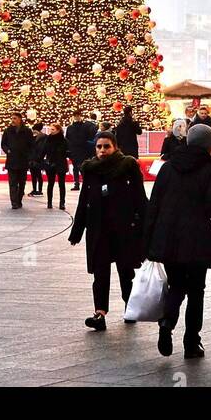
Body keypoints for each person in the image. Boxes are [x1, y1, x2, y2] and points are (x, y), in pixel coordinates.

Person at [142, 121, 211, 360]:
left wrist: (148, 241)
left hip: (168, 238)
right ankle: (191, 342)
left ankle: (167, 322)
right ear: (210, 147)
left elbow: (153, 205)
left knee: (176, 285)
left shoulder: (167, 168)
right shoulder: (209, 171)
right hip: (197, 238)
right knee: (197, 290)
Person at [68, 128, 147, 330]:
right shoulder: (91, 169)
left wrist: (148, 227)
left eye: (106, 146)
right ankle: (99, 313)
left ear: (115, 147)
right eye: (99, 147)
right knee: (100, 273)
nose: (102, 151)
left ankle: (130, 307)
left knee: (126, 271)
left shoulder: (127, 166)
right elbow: (84, 201)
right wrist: (77, 230)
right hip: (98, 231)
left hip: (124, 230)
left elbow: (140, 199)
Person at [1, 112, 36, 210]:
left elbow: (32, 145)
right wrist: (7, 150)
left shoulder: (27, 131)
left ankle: (19, 199)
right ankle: (14, 202)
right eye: (12, 118)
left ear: (20, 119)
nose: (13, 120)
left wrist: (30, 156)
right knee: (12, 183)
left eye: (15, 118)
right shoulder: (7, 131)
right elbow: (3, 144)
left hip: (23, 161)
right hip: (12, 160)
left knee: (22, 183)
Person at [65, 108, 98, 189]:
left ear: (80, 116)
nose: (76, 117)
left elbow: (90, 136)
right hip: (74, 150)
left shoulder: (85, 126)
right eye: (75, 116)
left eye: (78, 116)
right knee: (75, 167)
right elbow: (67, 139)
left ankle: (86, 182)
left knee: (83, 167)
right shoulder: (70, 127)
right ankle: (76, 183)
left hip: (83, 150)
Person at [41, 121, 70, 210]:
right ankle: (49, 202)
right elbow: (44, 151)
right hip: (50, 163)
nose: (51, 131)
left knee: (61, 184)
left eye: (53, 129)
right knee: (50, 183)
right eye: (50, 129)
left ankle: (62, 202)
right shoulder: (48, 139)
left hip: (60, 163)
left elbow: (67, 151)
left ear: (58, 130)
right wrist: (41, 161)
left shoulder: (64, 140)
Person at [28, 122, 46, 197]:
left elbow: (42, 149)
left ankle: (39, 190)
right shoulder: (33, 137)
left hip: (37, 158)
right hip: (33, 158)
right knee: (35, 175)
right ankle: (35, 189)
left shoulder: (42, 137)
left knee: (37, 174)